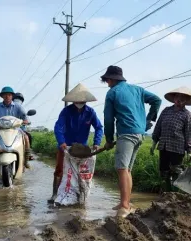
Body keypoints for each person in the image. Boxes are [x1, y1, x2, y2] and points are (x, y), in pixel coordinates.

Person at [101, 65, 162, 218]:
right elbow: (157, 100)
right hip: (140, 135)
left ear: (111, 79)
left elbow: (108, 119)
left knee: (121, 169)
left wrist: (108, 140)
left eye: (107, 80)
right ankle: (127, 201)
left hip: (127, 134)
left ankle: (124, 205)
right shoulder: (137, 89)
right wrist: (148, 121)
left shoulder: (112, 93)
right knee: (127, 170)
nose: (107, 83)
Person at [48, 83, 103, 203]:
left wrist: (96, 142)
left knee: (81, 173)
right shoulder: (66, 111)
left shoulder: (90, 112)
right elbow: (58, 127)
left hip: (82, 148)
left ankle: (79, 195)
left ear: (85, 100)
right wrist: (61, 141)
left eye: (81, 100)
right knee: (60, 170)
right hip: (66, 146)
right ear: (73, 100)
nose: (79, 102)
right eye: (77, 100)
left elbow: (99, 127)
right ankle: (55, 194)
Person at [151, 86, 191, 191]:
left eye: (183, 98)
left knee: (176, 170)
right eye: (178, 97)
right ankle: (167, 194)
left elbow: (188, 133)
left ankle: (176, 195)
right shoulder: (166, 110)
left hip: (177, 147)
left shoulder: (187, 115)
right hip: (163, 145)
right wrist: (154, 142)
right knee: (164, 171)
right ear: (174, 98)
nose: (179, 100)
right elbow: (158, 126)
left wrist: (189, 150)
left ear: (186, 101)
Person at [0, 86, 31, 168]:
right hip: (0, 129)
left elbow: (25, 116)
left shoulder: (18, 106)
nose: (7, 96)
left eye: (9, 95)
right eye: (5, 95)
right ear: (2, 96)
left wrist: (26, 121)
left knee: (26, 137)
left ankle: (27, 158)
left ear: (12, 96)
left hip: (16, 129)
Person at [13, 92, 34, 161]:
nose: (17, 100)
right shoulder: (8, 108)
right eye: (16, 99)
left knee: (28, 136)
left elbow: (26, 118)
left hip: (20, 129)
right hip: (7, 129)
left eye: (19, 99)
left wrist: (27, 121)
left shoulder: (22, 109)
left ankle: (28, 153)